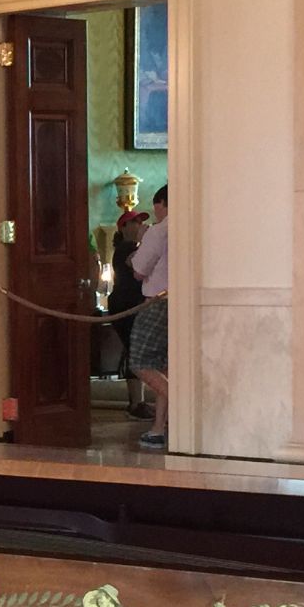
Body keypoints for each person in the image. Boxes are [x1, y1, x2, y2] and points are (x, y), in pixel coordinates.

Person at [127, 185, 170, 449]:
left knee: (140, 361)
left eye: (156, 204)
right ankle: (157, 429)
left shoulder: (159, 230)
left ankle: (184, 407)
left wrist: (142, 242)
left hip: (156, 302)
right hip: (178, 303)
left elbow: (139, 272)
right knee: (164, 366)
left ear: (162, 203)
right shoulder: (188, 224)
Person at [107, 210, 152, 419]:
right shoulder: (125, 248)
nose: (138, 225)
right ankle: (136, 403)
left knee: (134, 349)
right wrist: (145, 242)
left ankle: (137, 401)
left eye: (139, 221)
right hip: (125, 304)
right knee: (134, 349)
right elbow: (136, 265)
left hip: (134, 303)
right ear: (123, 228)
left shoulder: (133, 248)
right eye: (133, 222)